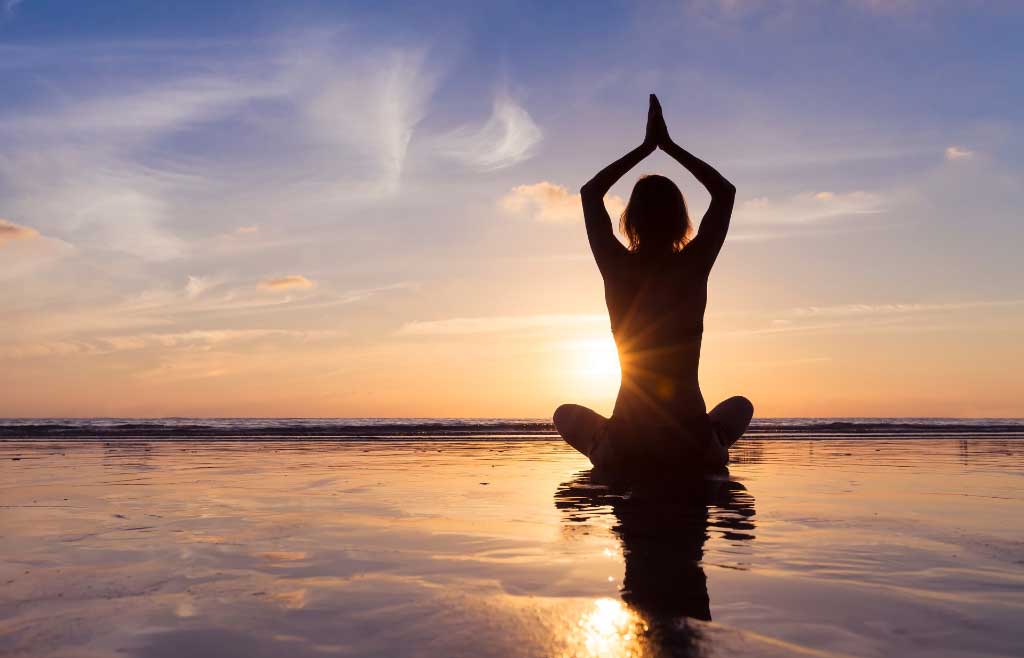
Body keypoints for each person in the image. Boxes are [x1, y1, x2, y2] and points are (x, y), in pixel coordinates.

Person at [553, 94, 753, 478]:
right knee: (740, 405)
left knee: (565, 414)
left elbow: (590, 193)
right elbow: (724, 193)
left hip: (627, 444)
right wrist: (670, 147)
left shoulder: (616, 267)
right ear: (681, 221)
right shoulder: (694, 266)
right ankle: (713, 444)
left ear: (630, 221)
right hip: (691, 442)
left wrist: (645, 148)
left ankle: (604, 447)